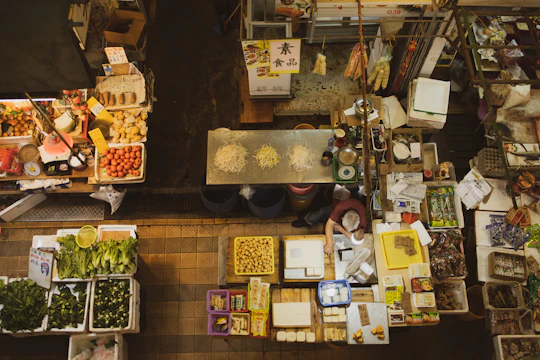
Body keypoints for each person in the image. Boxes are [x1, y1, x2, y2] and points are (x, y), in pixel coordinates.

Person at [292, 198, 367, 255]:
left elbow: (354, 236)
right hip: (333, 210)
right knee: (320, 213)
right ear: (342, 218)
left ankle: (329, 233)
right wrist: (329, 244)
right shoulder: (341, 207)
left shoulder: (363, 221)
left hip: (339, 224)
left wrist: (341, 229)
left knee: (335, 233)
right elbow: (330, 224)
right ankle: (306, 221)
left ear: (359, 222)